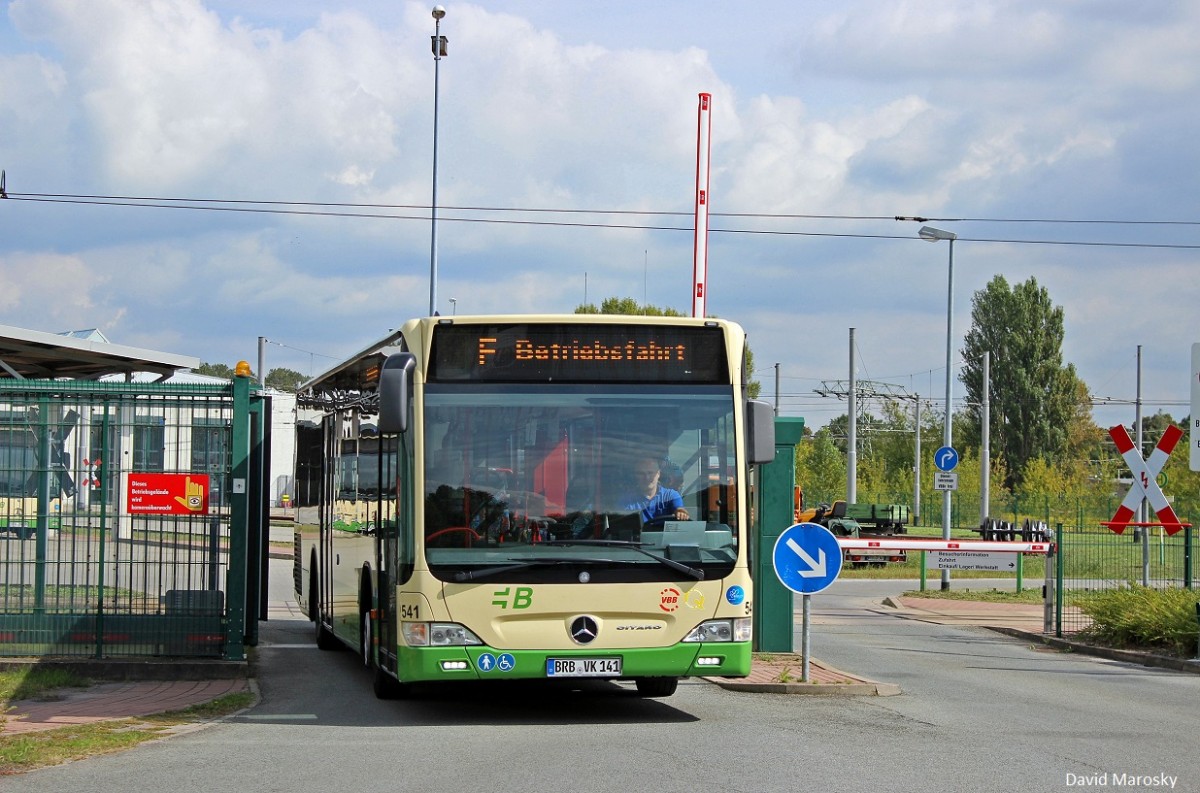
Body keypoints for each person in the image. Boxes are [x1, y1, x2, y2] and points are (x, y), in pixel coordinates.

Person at [621, 456, 689, 525]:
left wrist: (680, 513)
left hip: (666, 535)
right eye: (641, 474)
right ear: (635, 476)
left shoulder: (670, 495)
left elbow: (680, 509)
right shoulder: (627, 500)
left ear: (658, 474)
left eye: (650, 473)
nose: (647, 478)